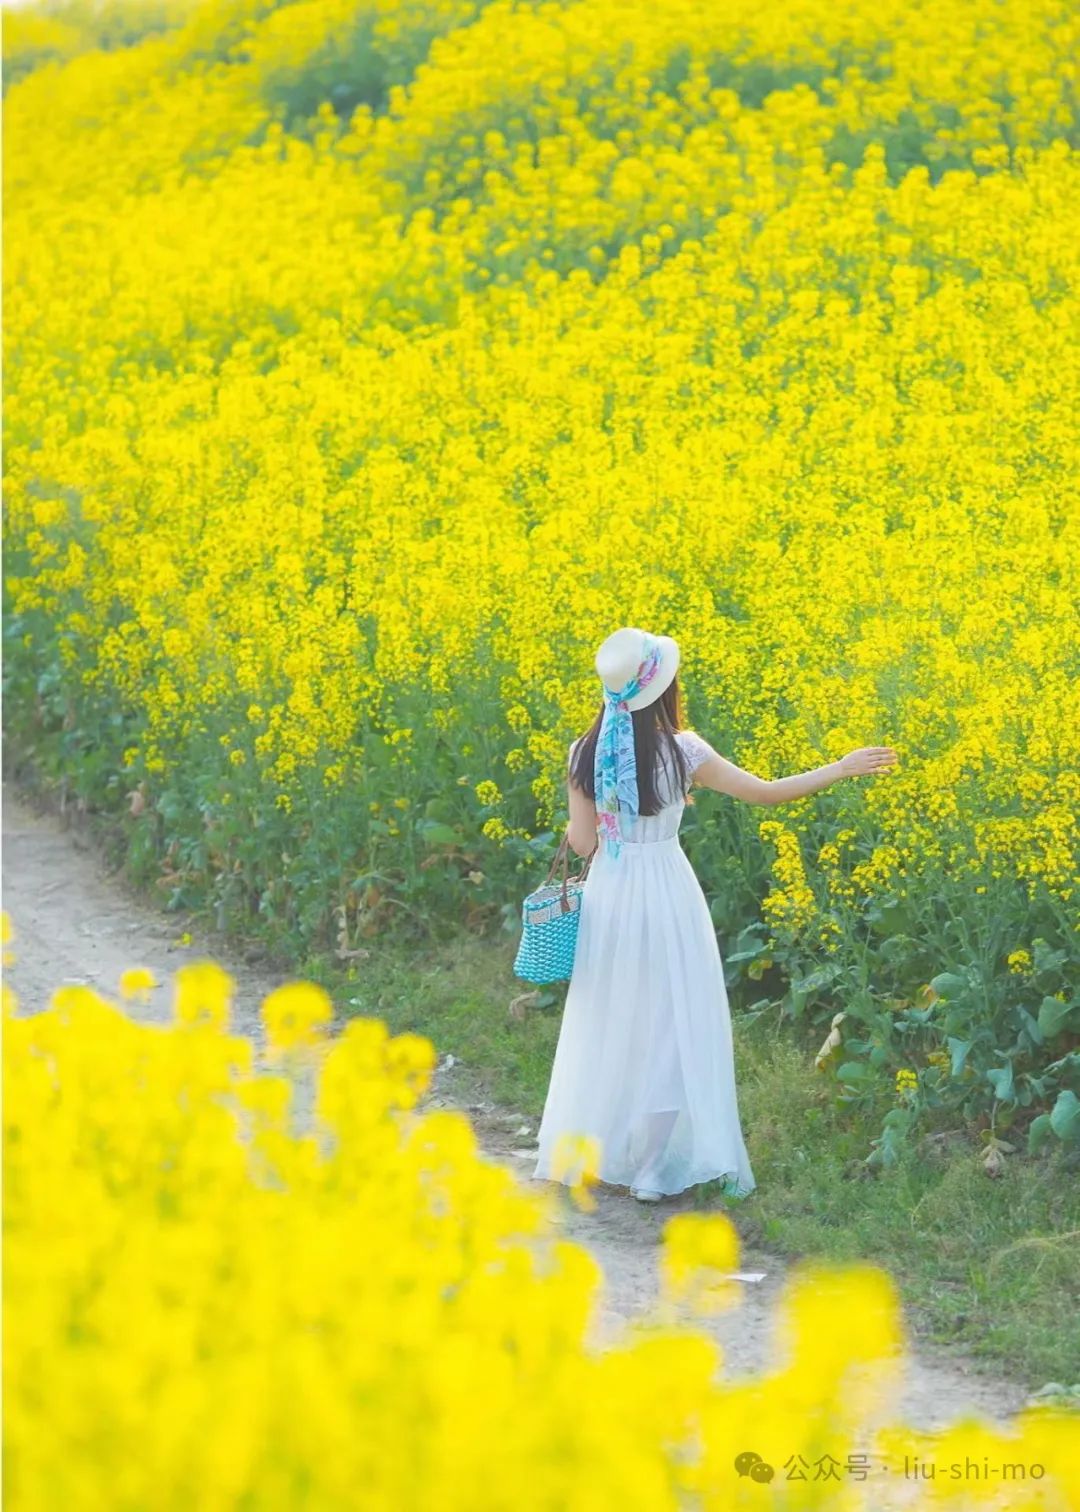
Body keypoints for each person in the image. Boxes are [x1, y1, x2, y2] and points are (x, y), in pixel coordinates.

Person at [531, 626, 898, 1203]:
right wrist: (840, 767)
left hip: (612, 895)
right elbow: (767, 793)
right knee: (671, 1026)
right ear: (662, 686)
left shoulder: (584, 752)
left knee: (613, 1018)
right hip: (668, 892)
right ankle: (653, 1171)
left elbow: (581, 846)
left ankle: (600, 1150)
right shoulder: (685, 750)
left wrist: (605, 813)